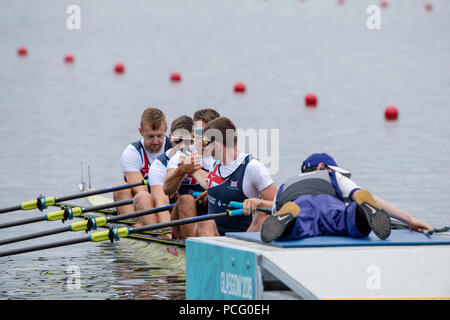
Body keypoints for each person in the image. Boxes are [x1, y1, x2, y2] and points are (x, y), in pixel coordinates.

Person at [260, 153, 434, 243]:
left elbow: (272, 214)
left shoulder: (285, 185)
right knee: (350, 220)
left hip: (298, 206)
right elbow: (359, 194)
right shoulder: (332, 176)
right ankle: (362, 213)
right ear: (322, 166)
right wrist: (410, 220)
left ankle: (289, 220)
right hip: (329, 204)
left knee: (292, 229)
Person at [164, 116, 278, 238]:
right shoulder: (217, 163)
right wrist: (187, 168)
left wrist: (259, 202)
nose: (203, 146)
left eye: (206, 142)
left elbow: (281, 204)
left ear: (217, 146)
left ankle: (198, 251)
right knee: (204, 222)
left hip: (242, 238)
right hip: (215, 235)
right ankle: (195, 250)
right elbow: (211, 182)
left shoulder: (253, 168)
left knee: (262, 216)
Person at [163, 108, 220, 238]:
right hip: (182, 218)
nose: (205, 138)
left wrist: (193, 169)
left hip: (213, 217)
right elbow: (167, 189)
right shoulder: (180, 155)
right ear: (193, 132)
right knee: (186, 199)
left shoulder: (224, 159)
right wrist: (181, 171)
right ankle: (191, 247)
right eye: (201, 132)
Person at [135, 115, 196, 228]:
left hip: (198, 211)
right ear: (170, 137)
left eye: (187, 141)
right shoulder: (159, 165)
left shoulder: (203, 158)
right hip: (173, 213)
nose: (182, 145)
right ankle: (162, 234)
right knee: (143, 197)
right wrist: (168, 236)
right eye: (178, 140)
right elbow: (161, 204)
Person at [113, 108, 172, 216]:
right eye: (150, 136)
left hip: (168, 201)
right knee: (121, 188)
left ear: (166, 130)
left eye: (159, 136)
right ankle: (135, 226)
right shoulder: (131, 153)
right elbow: (141, 192)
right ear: (141, 131)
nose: (155, 141)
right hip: (143, 203)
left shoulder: (174, 149)